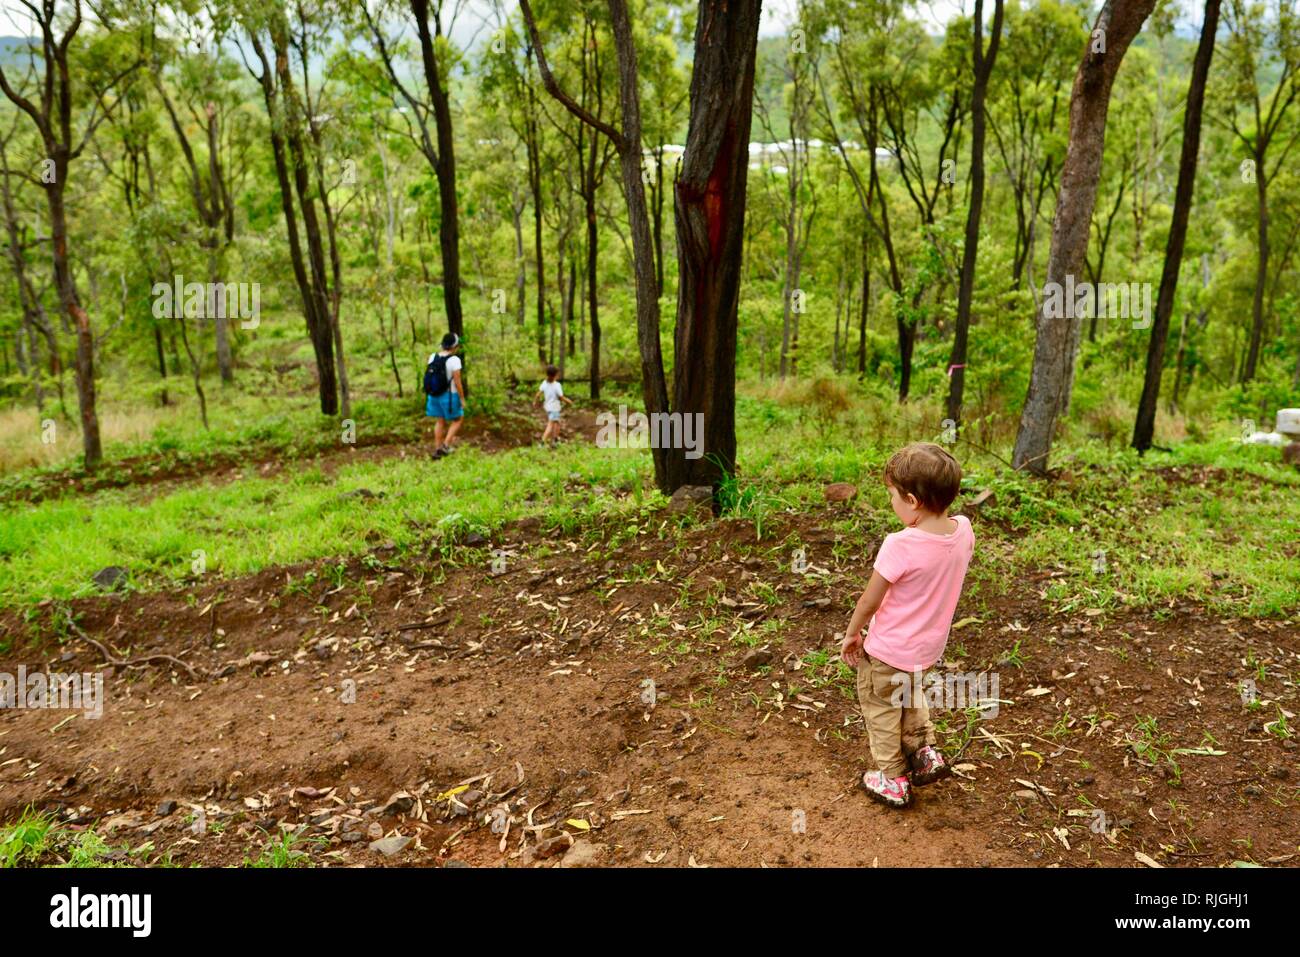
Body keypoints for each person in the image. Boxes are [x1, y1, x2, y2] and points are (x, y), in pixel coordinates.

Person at [839, 442, 975, 808]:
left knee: (882, 708)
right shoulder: (963, 531)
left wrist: (853, 633)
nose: (891, 504)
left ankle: (892, 778)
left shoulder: (900, 545)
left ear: (912, 500)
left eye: (892, 496)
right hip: (926, 649)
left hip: (888, 649)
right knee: (910, 693)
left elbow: (869, 600)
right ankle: (925, 751)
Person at [424, 332, 466, 459]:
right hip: (449, 396)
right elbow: (458, 382)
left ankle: (438, 448)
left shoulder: (433, 357)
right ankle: (446, 446)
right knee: (458, 419)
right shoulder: (455, 360)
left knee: (440, 421)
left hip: (434, 395)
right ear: (454, 346)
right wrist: (462, 398)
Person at [533, 364, 573, 448]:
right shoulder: (557, 385)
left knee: (557, 422)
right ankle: (542, 442)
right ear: (556, 375)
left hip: (547, 406)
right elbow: (561, 397)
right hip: (554, 407)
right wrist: (568, 401)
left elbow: (537, 395)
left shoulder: (544, 383)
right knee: (551, 424)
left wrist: (535, 402)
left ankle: (555, 440)